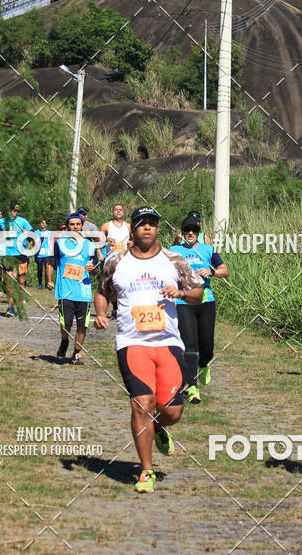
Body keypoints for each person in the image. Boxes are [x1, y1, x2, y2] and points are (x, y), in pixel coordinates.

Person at [94, 206, 203, 494]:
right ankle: (146, 470)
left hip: (168, 343)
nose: (147, 228)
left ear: (158, 229)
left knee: (173, 411)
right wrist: (101, 313)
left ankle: (158, 426)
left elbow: (197, 293)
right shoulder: (116, 260)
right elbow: (103, 291)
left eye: (152, 224)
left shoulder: (174, 259)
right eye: (141, 223)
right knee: (142, 402)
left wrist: (179, 293)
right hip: (132, 343)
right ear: (132, 228)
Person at [171, 214, 228, 404]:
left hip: (206, 301)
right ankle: (192, 387)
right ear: (182, 232)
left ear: (198, 232)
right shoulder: (174, 250)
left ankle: (204, 364)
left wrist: (211, 271)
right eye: (186, 230)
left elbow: (224, 271)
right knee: (190, 345)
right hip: (184, 302)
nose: (190, 233)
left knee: (207, 346)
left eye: (194, 230)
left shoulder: (208, 249)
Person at [53, 212, 97, 363]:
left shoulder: (89, 245)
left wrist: (92, 268)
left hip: (83, 291)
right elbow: (52, 262)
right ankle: (64, 341)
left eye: (78, 224)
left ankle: (76, 353)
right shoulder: (60, 243)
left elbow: (96, 268)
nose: (75, 227)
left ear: (82, 225)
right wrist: (50, 280)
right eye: (72, 224)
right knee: (66, 323)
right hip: (66, 290)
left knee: (82, 325)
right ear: (67, 226)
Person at [0, 201, 32, 316]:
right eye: (12, 210)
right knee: (9, 282)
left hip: (21, 255)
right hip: (8, 255)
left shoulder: (23, 222)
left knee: (21, 281)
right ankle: (10, 307)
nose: (13, 213)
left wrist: (27, 234)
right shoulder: (2, 222)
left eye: (15, 211)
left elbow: (32, 240)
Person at [35, 219, 53, 289]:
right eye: (41, 223)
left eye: (44, 223)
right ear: (40, 224)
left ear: (46, 225)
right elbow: (33, 242)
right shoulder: (36, 232)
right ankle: (40, 284)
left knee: (47, 269)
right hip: (38, 254)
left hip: (46, 254)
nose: (43, 224)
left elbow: (52, 242)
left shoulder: (49, 232)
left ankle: (47, 283)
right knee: (39, 270)